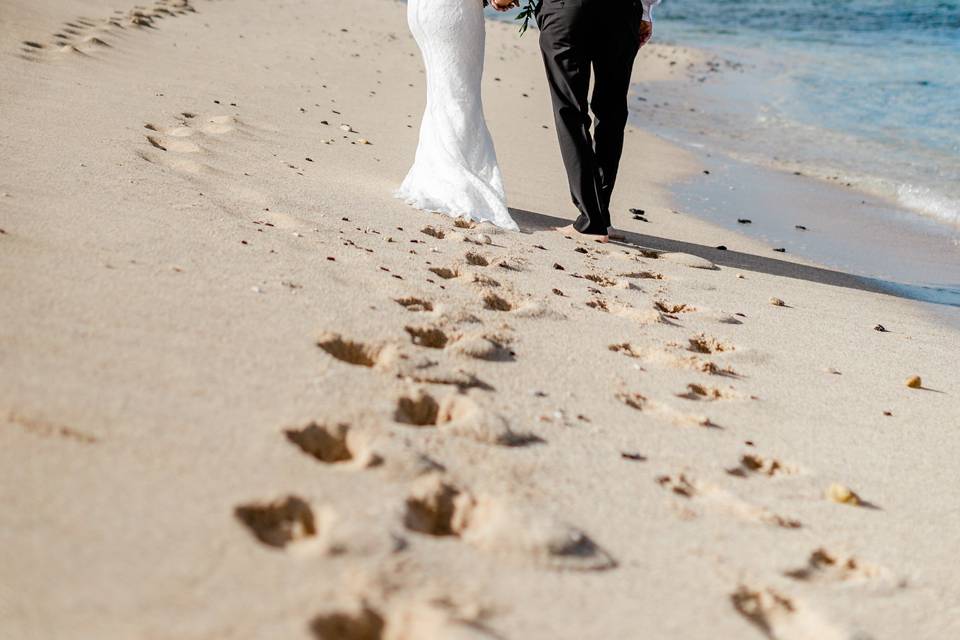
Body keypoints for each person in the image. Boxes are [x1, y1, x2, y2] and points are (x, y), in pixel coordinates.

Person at [396, 0, 519, 231]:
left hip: (422, 11)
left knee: (441, 94)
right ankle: (452, 184)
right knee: (461, 95)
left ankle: (430, 174)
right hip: (453, 13)